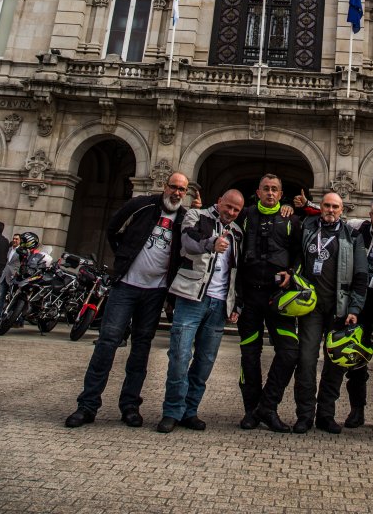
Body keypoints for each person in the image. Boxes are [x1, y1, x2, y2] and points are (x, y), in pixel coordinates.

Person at [64, 172, 193, 428]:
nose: (177, 193)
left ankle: (130, 406)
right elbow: (113, 228)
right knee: (107, 343)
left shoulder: (184, 218)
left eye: (182, 190)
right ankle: (87, 406)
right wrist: (124, 256)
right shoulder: (142, 204)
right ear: (165, 186)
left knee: (141, 349)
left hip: (155, 292)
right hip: (125, 287)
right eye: (174, 187)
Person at [294, 191, 373, 428]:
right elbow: (323, 213)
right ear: (369, 215)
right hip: (354, 308)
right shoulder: (357, 230)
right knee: (346, 363)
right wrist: (304, 205)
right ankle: (343, 411)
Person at [157, 189, 244, 433]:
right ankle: (172, 410)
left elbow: (237, 272)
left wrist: (236, 304)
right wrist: (211, 244)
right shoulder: (197, 216)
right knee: (180, 356)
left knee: (205, 361)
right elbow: (187, 242)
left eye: (236, 210)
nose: (231, 212)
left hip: (219, 304)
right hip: (191, 297)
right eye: (228, 206)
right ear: (219, 201)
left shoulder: (238, 232)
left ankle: (190, 411)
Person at [292, 191, 368, 434]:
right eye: (327, 205)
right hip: (310, 307)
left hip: (339, 308)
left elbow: (361, 276)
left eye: (335, 206)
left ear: (342, 209)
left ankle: (326, 414)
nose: (331, 210)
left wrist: (355, 308)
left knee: (335, 364)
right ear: (320, 207)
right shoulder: (306, 228)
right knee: (306, 361)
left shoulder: (353, 236)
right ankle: (304, 415)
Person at [236, 174, 301, 432]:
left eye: (275, 189)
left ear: (281, 193)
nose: (270, 193)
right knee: (249, 356)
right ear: (258, 191)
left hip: (278, 299)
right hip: (250, 298)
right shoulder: (245, 215)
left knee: (289, 352)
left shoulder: (291, 219)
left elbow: (299, 255)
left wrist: (292, 273)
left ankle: (268, 406)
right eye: (266, 189)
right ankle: (251, 410)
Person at [0, 232, 21, 322]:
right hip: (4, 275)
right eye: (14, 238)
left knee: (14, 299)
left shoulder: (22, 251)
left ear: (20, 241)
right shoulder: (8, 249)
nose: (15, 240)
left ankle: (14, 319)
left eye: (17, 239)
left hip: (14, 277)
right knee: (1, 296)